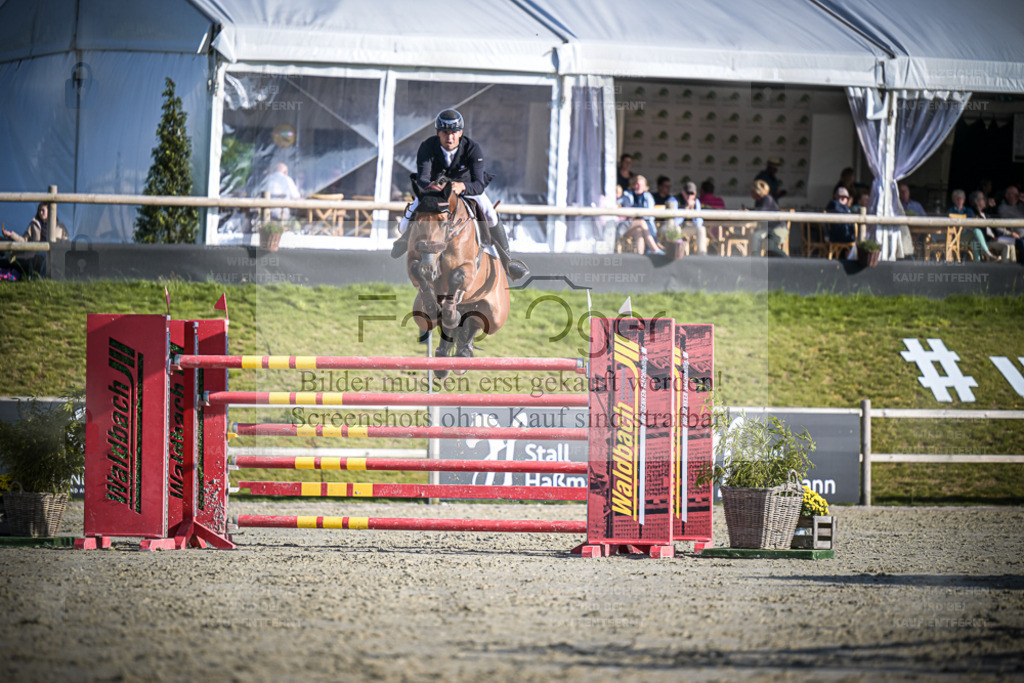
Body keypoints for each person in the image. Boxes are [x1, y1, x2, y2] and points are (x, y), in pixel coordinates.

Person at [391, 109, 528, 281]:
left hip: (467, 191)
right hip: (435, 193)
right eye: (445, 133)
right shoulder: (427, 147)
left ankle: (508, 261)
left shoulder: (472, 149)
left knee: (490, 213)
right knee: (404, 225)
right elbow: (423, 179)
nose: (450, 138)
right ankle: (405, 242)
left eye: (454, 133)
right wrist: (437, 188)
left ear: (460, 133)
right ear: (438, 133)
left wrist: (462, 186)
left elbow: (478, 184)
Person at [618, 174, 664, 255]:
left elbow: (649, 213)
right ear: (633, 185)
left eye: (642, 185)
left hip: (643, 224)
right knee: (642, 223)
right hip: (625, 224)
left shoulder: (648, 196)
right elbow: (617, 205)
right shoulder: (627, 195)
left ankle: (640, 255)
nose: (639, 187)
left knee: (639, 230)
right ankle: (655, 249)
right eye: (637, 184)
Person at [968, 190, 1017, 263]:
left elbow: (996, 225)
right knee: (1006, 246)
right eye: (983, 198)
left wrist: (1009, 233)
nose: (985, 200)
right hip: (988, 241)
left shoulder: (986, 214)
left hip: (995, 238)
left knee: (1012, 245)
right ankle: (1006, 268)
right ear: (976, 202)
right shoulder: (975, 215)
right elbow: (979, 232)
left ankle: (1013, 268)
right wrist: (991, 238)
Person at [748, 180, 787, 257]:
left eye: (752, 191)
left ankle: (788, 261)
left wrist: (748, 213)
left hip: (778, 229)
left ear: (756, 191)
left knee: (769, 245)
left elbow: (761, 214)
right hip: (767, 229)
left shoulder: (767, 199)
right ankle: (756, 260)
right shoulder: (759, 201)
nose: (751, 193)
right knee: (757, 236)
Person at [2, 202, 68, 242]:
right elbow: (24, 241)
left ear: (49, 211)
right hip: (38, 257)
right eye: (39, 210)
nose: (40, 213)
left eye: (43, 210)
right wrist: (11, 235)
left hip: (55, 258)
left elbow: (66, 243)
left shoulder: (60, 226)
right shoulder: (34, 225)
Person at [673, 181, 706, 255]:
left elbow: (699, 223)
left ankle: (702, 255)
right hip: (676, 228)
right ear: (683, 192)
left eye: (692, 194)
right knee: (676, 229)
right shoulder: (675, 200)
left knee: (701, 229)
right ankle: (679, 253)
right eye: (687, 193)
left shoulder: (696, 201)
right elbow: (674, 222)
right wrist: (686, 209)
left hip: (688, 227)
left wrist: (693, 211)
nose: (689, 196)